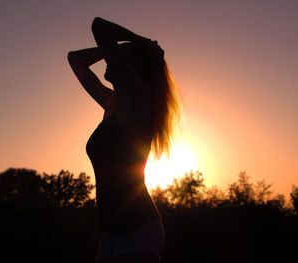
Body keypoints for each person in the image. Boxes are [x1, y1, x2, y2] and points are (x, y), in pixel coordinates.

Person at [68, 17, 182, 263]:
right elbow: (75, 59)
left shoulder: (139, 102)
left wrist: (140, 44)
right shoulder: (111, 104)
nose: (111, 59)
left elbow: (99, 26)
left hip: (137, 229)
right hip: (109, 231)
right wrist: (124, 48)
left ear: (134, 69)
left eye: (120, 57)